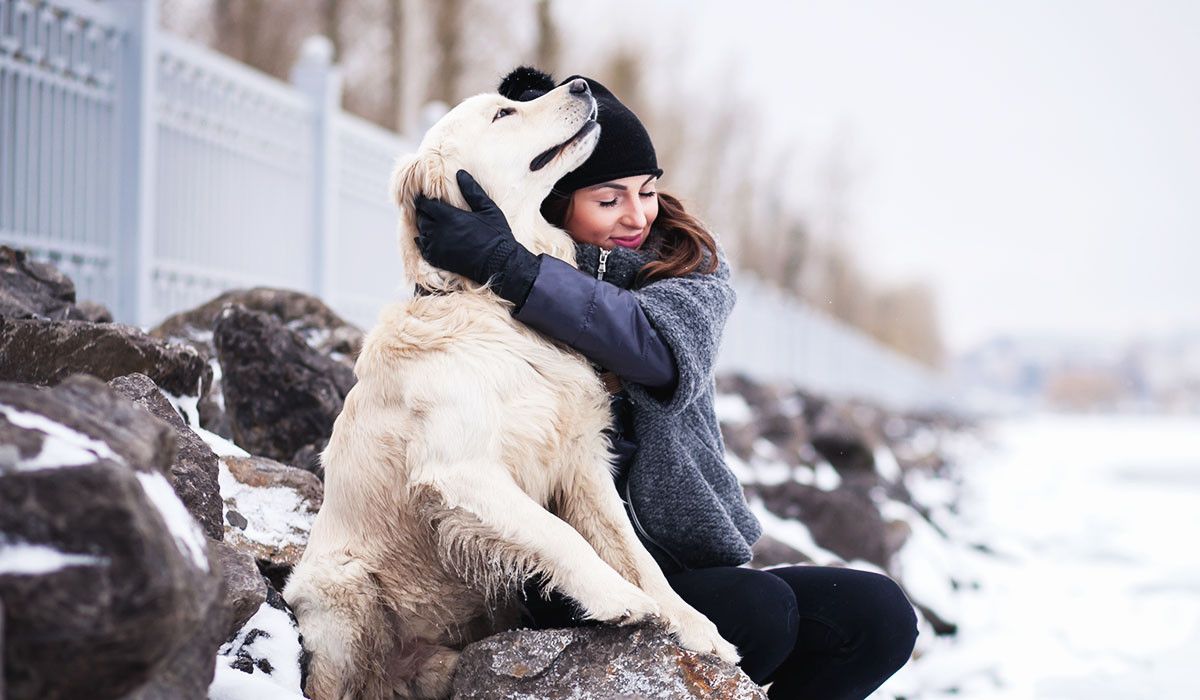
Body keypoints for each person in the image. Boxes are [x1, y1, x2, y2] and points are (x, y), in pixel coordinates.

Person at [413, 67, 918, 699]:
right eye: (609, 198)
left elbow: (657, 351)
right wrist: (500, 266)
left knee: (877, 614)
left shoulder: (686, 265)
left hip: (683, 560)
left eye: (647, 190)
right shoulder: (486, 297)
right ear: (555, 201)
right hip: (565, 578)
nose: (638, 216)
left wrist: (518, 271)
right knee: (760, 613)